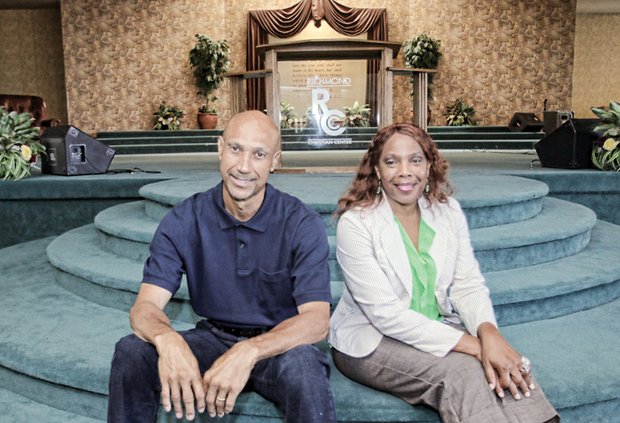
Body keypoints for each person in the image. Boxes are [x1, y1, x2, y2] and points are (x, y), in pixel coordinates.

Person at [108, 110, 336, 423]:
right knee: (132, 352)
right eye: (235, 149)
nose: (243, 166)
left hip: (278, 347)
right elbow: (145, 307)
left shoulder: (300, 223)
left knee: (305, 367)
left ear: (275, 161)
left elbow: (316, 321)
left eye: (258, 154)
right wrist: (168, 340)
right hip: (213, 338)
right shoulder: (185, 219)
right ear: (219, 148)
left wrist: (250, 351)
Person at [329, 123, 559, 423]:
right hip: (369, 340)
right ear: (376, 169)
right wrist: (477, 347)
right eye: (391, 161)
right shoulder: (357, 223)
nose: (404, 171)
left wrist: (489, 334)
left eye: (415, 160)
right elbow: (386, 314)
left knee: (511, 366)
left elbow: (468, 284)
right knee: (464, 372)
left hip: (434, 324)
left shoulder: (446, 210)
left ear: (429, 164)